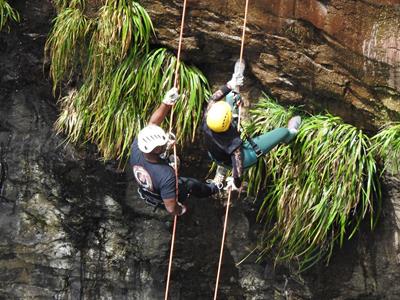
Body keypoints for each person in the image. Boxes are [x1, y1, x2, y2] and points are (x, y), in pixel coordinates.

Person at [203, 60, 302, 192]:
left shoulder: (208, 119)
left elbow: (213, 99)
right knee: (282, 131)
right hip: (235, 158)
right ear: (228, 123)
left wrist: (230, 85)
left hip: (216, 155)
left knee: (232, 97)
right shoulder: (234, 146)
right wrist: (236, 184)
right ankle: (291, 133)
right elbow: (238, 171)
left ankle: (236, 78)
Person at [130, 88, 221, 216]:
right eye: (163, 144)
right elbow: (171, 208)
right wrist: (180, 209)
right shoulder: (167, 175)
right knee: (190, 184)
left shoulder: (137, 146)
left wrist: (166, 103)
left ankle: (167, 160)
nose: (167, 142)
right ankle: (215, 188)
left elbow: (153, 123)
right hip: (162, 197)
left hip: (148, 190)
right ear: (156, 149)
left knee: (170, 163)